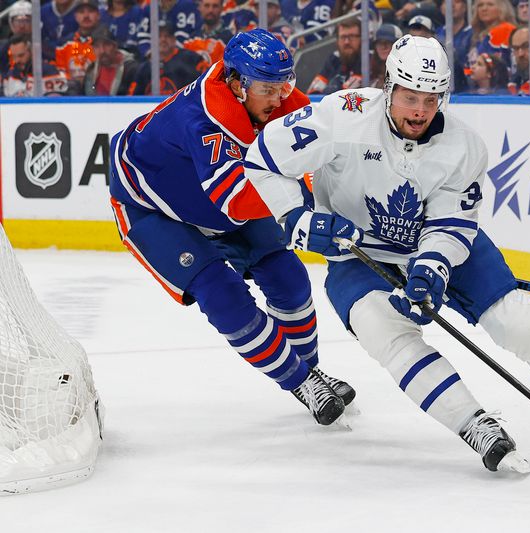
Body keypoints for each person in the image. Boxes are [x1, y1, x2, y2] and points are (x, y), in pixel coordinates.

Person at [243, 35, 530, 471]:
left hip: (440, 250)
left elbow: (450, 224)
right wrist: (296, 218)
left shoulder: (464, 147)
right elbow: (262, 158)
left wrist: (434, 266)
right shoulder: (341, 118)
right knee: (381, 327)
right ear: (388, 88)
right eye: (410, 97)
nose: (420, 110)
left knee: (520, 321)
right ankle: (472, 422)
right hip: (359, 253)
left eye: (431, 98)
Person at [109, 29, 354, 427]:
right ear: (237, 84)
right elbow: (237, 201)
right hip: (152, 208)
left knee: (288, 277)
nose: (278, 98)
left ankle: (311, 372)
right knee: (221, 293)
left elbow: (327, 151)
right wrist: (305, 197)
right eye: (267, 88)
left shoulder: (279, 99)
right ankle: (299, 380)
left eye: (283, 85)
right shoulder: (203, 119)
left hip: (217, 198)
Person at [129, 20, 206, 95]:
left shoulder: (190, 59)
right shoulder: (144, 68)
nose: (163, 40)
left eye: (167, 36)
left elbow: (204, 86)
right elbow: (132, 99)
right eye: (159, 36)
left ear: (174, 40)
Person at [307, 19, 366, 94]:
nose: (347, 42)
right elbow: (313, 93)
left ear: (362, 38)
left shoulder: (368, 60)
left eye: (352, 36)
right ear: (337, 40)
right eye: (343, 37)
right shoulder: (334, 58)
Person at [3, 34, 69, 96]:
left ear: (32, 52)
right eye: (14, 56)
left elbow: (57, 100)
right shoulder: (10, 75)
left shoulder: (48, 72)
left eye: (21, 55)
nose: (16, 60)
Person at [83, 25, 138, 95]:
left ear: (115, 46)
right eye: (97, 46)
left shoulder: (132, 69)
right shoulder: (91, 70)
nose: (102, 51)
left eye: (106, 45)